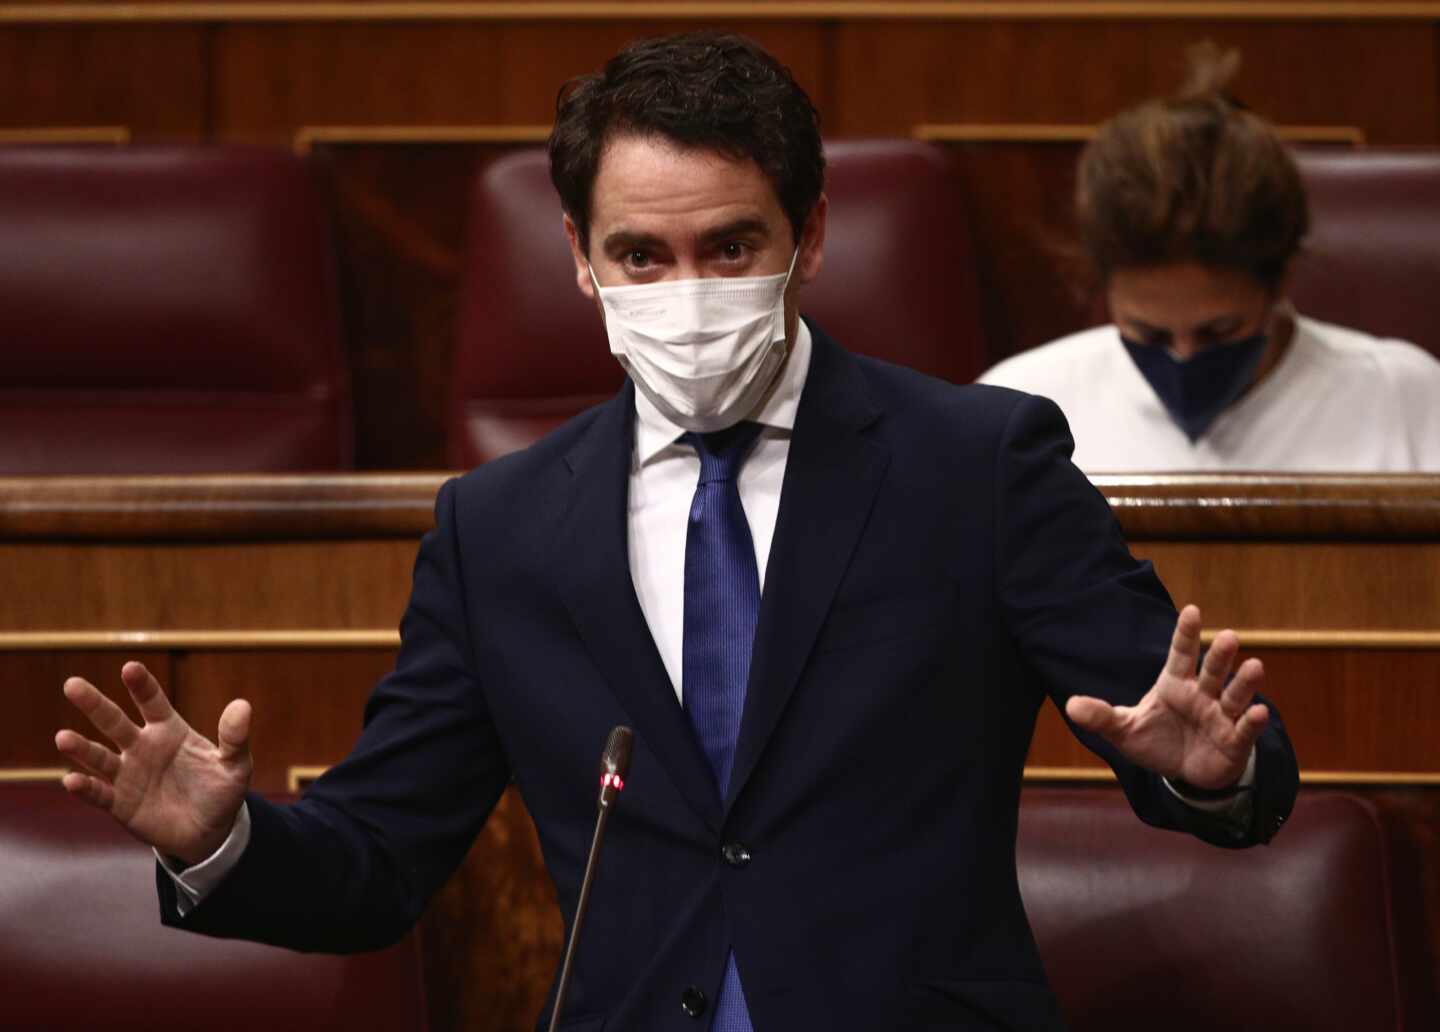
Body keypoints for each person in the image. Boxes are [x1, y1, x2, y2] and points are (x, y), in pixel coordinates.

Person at [55, 32, 1298, 1032]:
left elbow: (1206, 745)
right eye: (640, 254)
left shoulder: (978, 464)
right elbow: (379, 859)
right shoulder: (499, 527)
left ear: (809, 235)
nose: (685, 292)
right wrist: (223, 840)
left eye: (731, 246)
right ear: (580, 260)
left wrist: (1212, 771)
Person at [978, 45, 1440, 474]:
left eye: (1220, 331)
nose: (1184, 358)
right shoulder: (1019, 406)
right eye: (1150, 334)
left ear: (1281, 280)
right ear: (1105, 289)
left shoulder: (1409, 403)